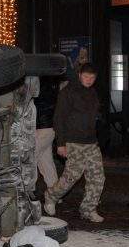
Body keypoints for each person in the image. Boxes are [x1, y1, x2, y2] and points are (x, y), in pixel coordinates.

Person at [43, 63, 105, 222]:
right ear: (79, 75)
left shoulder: (93, 93)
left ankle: (88, 209)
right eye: (86, 76)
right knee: (71, 177)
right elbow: (59, 118)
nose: (89, 80)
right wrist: (60, 143)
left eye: (92, 77)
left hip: (91, 143)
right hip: (74, 142)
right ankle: (51, 196)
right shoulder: (68, 92)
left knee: (97, 177)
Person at [33, 75, 61, 191]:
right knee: (46, 162)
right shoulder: (52, 82)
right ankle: (55, 193)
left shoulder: (40, 84)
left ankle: (27, 191)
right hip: (49, 127)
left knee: (29, 158)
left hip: (41, 127)